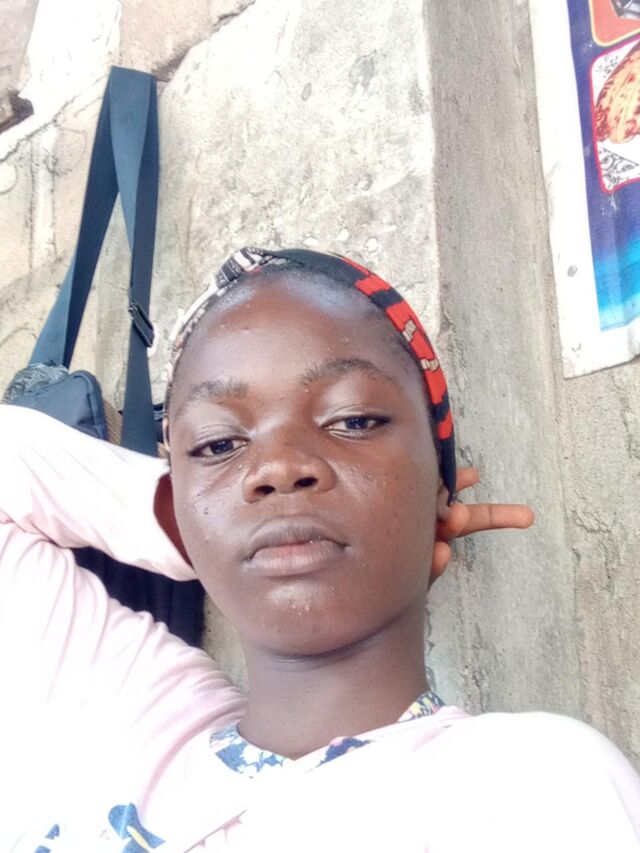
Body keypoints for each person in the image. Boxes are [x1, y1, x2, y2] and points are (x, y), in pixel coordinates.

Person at [0, 246, 637, 852]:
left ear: (439, 484)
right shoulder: (106, 724)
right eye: (218, 445)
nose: (276, 468)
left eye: (353, 420)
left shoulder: (529, 789)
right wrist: (195, 527)